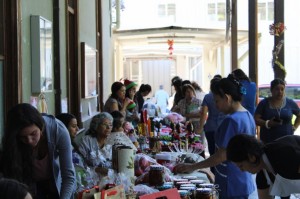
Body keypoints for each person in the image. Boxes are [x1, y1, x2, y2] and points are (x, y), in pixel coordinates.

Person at [174, 74, 256, 199]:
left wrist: (193, 167)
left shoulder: (231, 121)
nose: (216, 106)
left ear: (227, 98)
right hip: (243, 180)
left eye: (217, 101)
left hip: (230, 181)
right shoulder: (247, 115)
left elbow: (221, 156)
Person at [0, 103, 76, 199]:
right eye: (23, 137)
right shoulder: (13, 143)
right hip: (29, 186)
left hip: (56, 184)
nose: (29, 141)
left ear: (41, 127)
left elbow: (68, 176)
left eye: (33, 134)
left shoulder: (58, 130)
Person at [227, 134, 300, 198]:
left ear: (251, 157)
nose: (241, 170)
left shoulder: (285, 154)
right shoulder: (262, 176)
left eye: (241, 166)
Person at [255, 78, 300, 143]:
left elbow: (299, 115)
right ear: (271, 90)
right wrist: (267, 123)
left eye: (282, 89)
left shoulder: (290, 103)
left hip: (287, 141)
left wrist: (294, 127)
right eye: (277, 89)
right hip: (268, 141)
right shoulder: (264, 103)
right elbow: (256, 119)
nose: (280, 92)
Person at [199, 76, 225, 169]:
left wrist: (200, 127)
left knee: (212, 152)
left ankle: (213, 171)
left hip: (210, 128)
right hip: (222, 127)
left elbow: (204, 114)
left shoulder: (207, 97)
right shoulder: (225, 98)